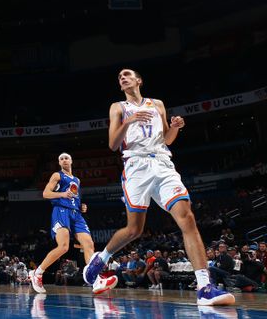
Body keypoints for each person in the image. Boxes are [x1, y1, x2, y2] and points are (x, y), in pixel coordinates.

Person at [83, 68, 235, 306]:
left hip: (162, 163)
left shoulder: (158, 104)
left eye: (127, 74)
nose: (122, 78)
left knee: (188, 218)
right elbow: (113, 144)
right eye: (120, 77)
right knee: (134, 230)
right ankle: (102, 258)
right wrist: (129, 122)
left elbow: (166, 139)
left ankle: (204, 287)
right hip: (136, 166)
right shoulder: (118, 107)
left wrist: (175, 126)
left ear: (139, 80)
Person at [29, 153, 117, 295]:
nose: (64, 160)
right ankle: (37, 273)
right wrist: (62, 195)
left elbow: (74, 197)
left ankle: (95, 281)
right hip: (61, 211)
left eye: (66, 158)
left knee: (89, 244)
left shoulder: (77, 179)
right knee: (63, 247)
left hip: (76, 214)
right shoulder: (57, 176)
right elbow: (45, 193)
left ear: (71, 161)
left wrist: (81, 206)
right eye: (61, 158)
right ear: (59, 162)